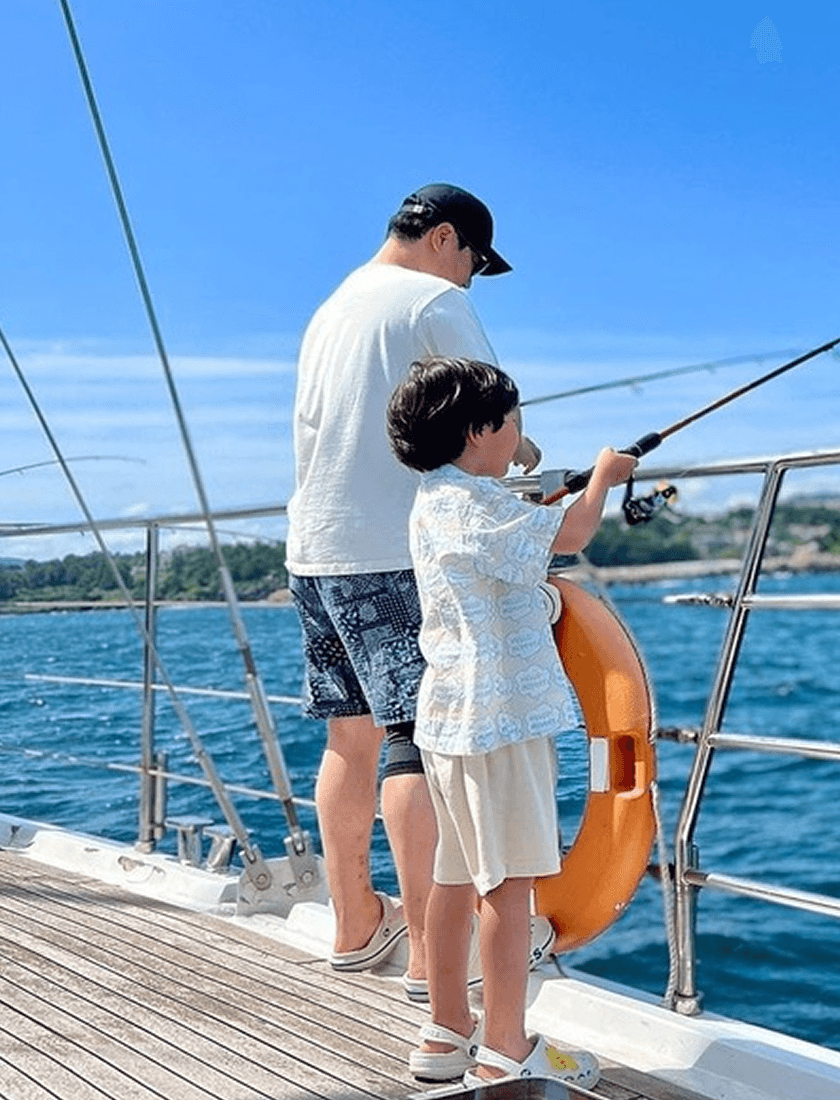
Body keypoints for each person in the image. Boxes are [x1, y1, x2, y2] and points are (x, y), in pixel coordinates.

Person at [285, 183, 540, 992]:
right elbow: (488, 415)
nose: (469, 278)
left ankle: (357, 923)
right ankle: (434, 960)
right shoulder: (433, 299)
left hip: (314, 550)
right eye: (473, 261)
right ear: (444, 239)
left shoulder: (332, 306)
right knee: (414, 744)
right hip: (393, 550)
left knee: (349, 739)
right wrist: (529, 456)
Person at [385, 356, 636, 1088]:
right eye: (511, 422)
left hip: (449, 721)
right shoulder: (481, 505)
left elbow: (503, 565)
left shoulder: (438, 500)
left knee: (454, 880)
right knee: (511, 886)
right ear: (476, 432)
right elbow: (572, 534)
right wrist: (602, 476)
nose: (518, 434)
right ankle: (503, 1047)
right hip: (502, 724)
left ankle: (443, 1032)